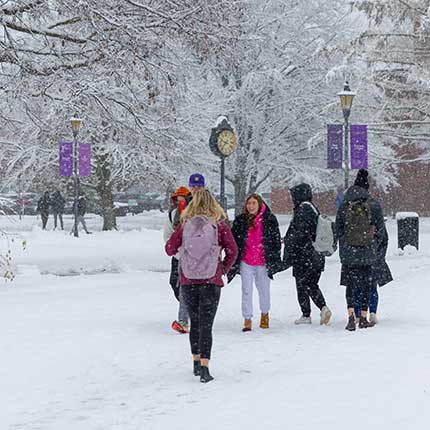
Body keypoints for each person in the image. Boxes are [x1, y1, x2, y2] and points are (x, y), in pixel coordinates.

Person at [165, 189, 238, 383]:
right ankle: (205, 366)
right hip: (211, 280)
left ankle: (195, 361)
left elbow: (169, 248)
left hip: (188, 280)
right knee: (207, 324)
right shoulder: (219, 225)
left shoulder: (185, 224)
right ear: (213, 203)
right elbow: (233, 250)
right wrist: (222, 268)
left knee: (195, 322)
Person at [336, 169, 386, 331]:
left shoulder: (344, 205)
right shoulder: (373, 205)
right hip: (367, 251)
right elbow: (381, 231)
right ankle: (364, 317)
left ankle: (352, 316)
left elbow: (338, 229)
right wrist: (372, 244)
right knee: (367, 284)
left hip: (348, 253)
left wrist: (345, 244)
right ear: (367, 188)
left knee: (351, 284)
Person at [228, 194, 282, 332]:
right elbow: (233, 240)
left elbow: (276, 241)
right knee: (246, 290)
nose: (250, 206)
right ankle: (247, 318)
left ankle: (265, 314)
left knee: (264, 290)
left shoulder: (269, 219)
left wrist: (274, 257)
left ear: (259, 204)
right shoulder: (241, 220)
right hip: (246, 261)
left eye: (253, 203)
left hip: (263, 262)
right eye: (249, 203)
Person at [282, 183, 332, 325]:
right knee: (311, 284)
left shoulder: (303, 209)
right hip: (316, 254)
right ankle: (323, 308)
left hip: (304, 256)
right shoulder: (312, 208)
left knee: (301, 284)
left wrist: (289, 241)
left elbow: (300, 233)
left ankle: (306, 314)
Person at [163, 186, 191, 333]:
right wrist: (175, 249)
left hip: (192, 257)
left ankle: (184, 317)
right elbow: (167, 235)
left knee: (184, 287)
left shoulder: (193, 214)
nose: (180, 202)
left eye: (182, 199)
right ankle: (188, 307)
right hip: (177, 255)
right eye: (177, 199)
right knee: (175, 284)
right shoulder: (172, 215)